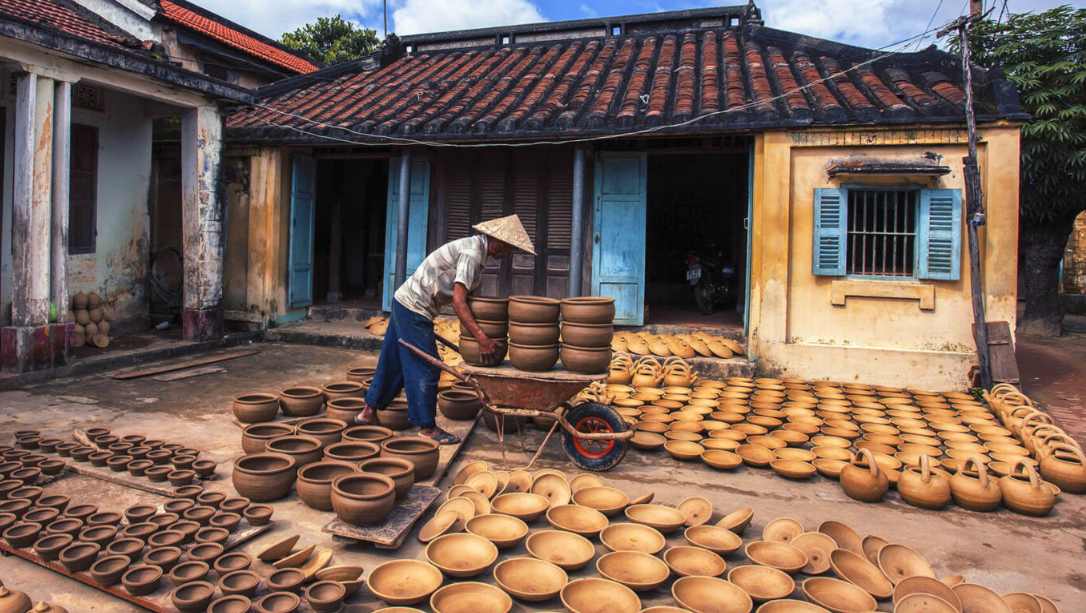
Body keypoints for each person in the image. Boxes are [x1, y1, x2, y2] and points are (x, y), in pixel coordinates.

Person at [357, 215, 536, 444]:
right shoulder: (472, 254)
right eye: (511, 249)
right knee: (428, 367)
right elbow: (458, 302)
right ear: (498, 243)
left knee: (394, 361)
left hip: (404, 301)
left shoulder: (477, 253)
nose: (510, 255)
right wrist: (481, 337)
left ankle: (368, 413)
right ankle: (428, 428)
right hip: (414, 307)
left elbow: (468, 298)